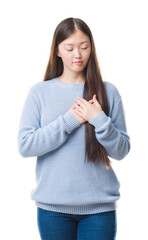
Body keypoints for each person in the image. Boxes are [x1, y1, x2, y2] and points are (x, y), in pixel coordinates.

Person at [17, 17, 131, 240]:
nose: (77, 54)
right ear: (58, 51)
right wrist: (70, 120)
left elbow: (122, 150)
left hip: (99, 210)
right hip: (52, 209)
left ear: (91, 48)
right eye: (69, 48)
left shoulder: (109, 92)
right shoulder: (40, 92)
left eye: (84, 47)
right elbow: (25, 145)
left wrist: (99, 119)